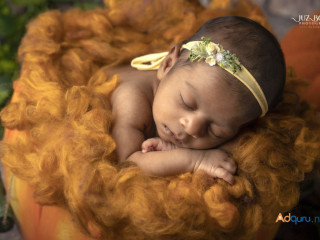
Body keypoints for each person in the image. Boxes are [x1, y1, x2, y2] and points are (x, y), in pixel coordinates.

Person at [110, 16, 285, 184]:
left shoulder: (185, 95)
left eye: (216, 131)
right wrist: (195, 160)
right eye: (187, 103)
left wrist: (171, 150)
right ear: (168, 64)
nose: (193, 128)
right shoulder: (132, 97)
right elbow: (127, 163)